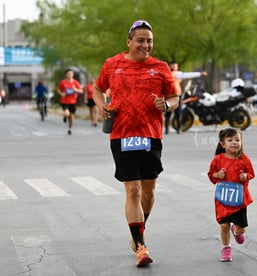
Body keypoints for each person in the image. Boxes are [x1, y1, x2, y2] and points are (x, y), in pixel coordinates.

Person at [92, 19, 178, 268]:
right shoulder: (112, 64)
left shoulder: (161, 67)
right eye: (140, 40)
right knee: (133, 190)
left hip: (151, 135)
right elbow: (98, 90)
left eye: (149, 41)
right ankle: (141, 244)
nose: (145, 45)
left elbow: (174, 97)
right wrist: (102, 106)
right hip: (122, 135)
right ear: (128, 42)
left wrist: (167, 105)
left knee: (149, 192)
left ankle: (137, 230)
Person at [207, 128, 255, 262]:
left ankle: (236, 230)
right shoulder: (218, 160)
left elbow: (251, 173)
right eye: (230, 140)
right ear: (223, 144)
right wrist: (217, 175)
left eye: (237, 140)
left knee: (241, 229)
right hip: (223, 199)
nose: (234, 143)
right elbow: (211, 175)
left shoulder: (244, 159)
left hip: (239, 199)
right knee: (223, 225)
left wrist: (246, 176)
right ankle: (226, 248)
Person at [164, 61, 207, 134]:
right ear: (170, 66)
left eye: (176, 66)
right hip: (172, 95)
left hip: (174, 95)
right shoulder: (175, 74)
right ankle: (174, 129)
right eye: (174, 66)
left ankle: (173, 129)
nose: (175, 67)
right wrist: (199, 74)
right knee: (174, 112)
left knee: (175, 112)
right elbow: (187, 75)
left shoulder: (166, 73)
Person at [57, 69, 83, 135]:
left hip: (73, 102)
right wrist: (61, 93)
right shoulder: (63, 82)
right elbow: (58, 89)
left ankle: (70, 129)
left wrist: (76, 90)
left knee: (71, 117)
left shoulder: (75, 82)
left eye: (71, 73)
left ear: (73, 74)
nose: (70, 75)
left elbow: (81, 91)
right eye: (68, 74)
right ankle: (65, 117)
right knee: (67, 113)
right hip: (65, 101)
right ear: (66, 75)